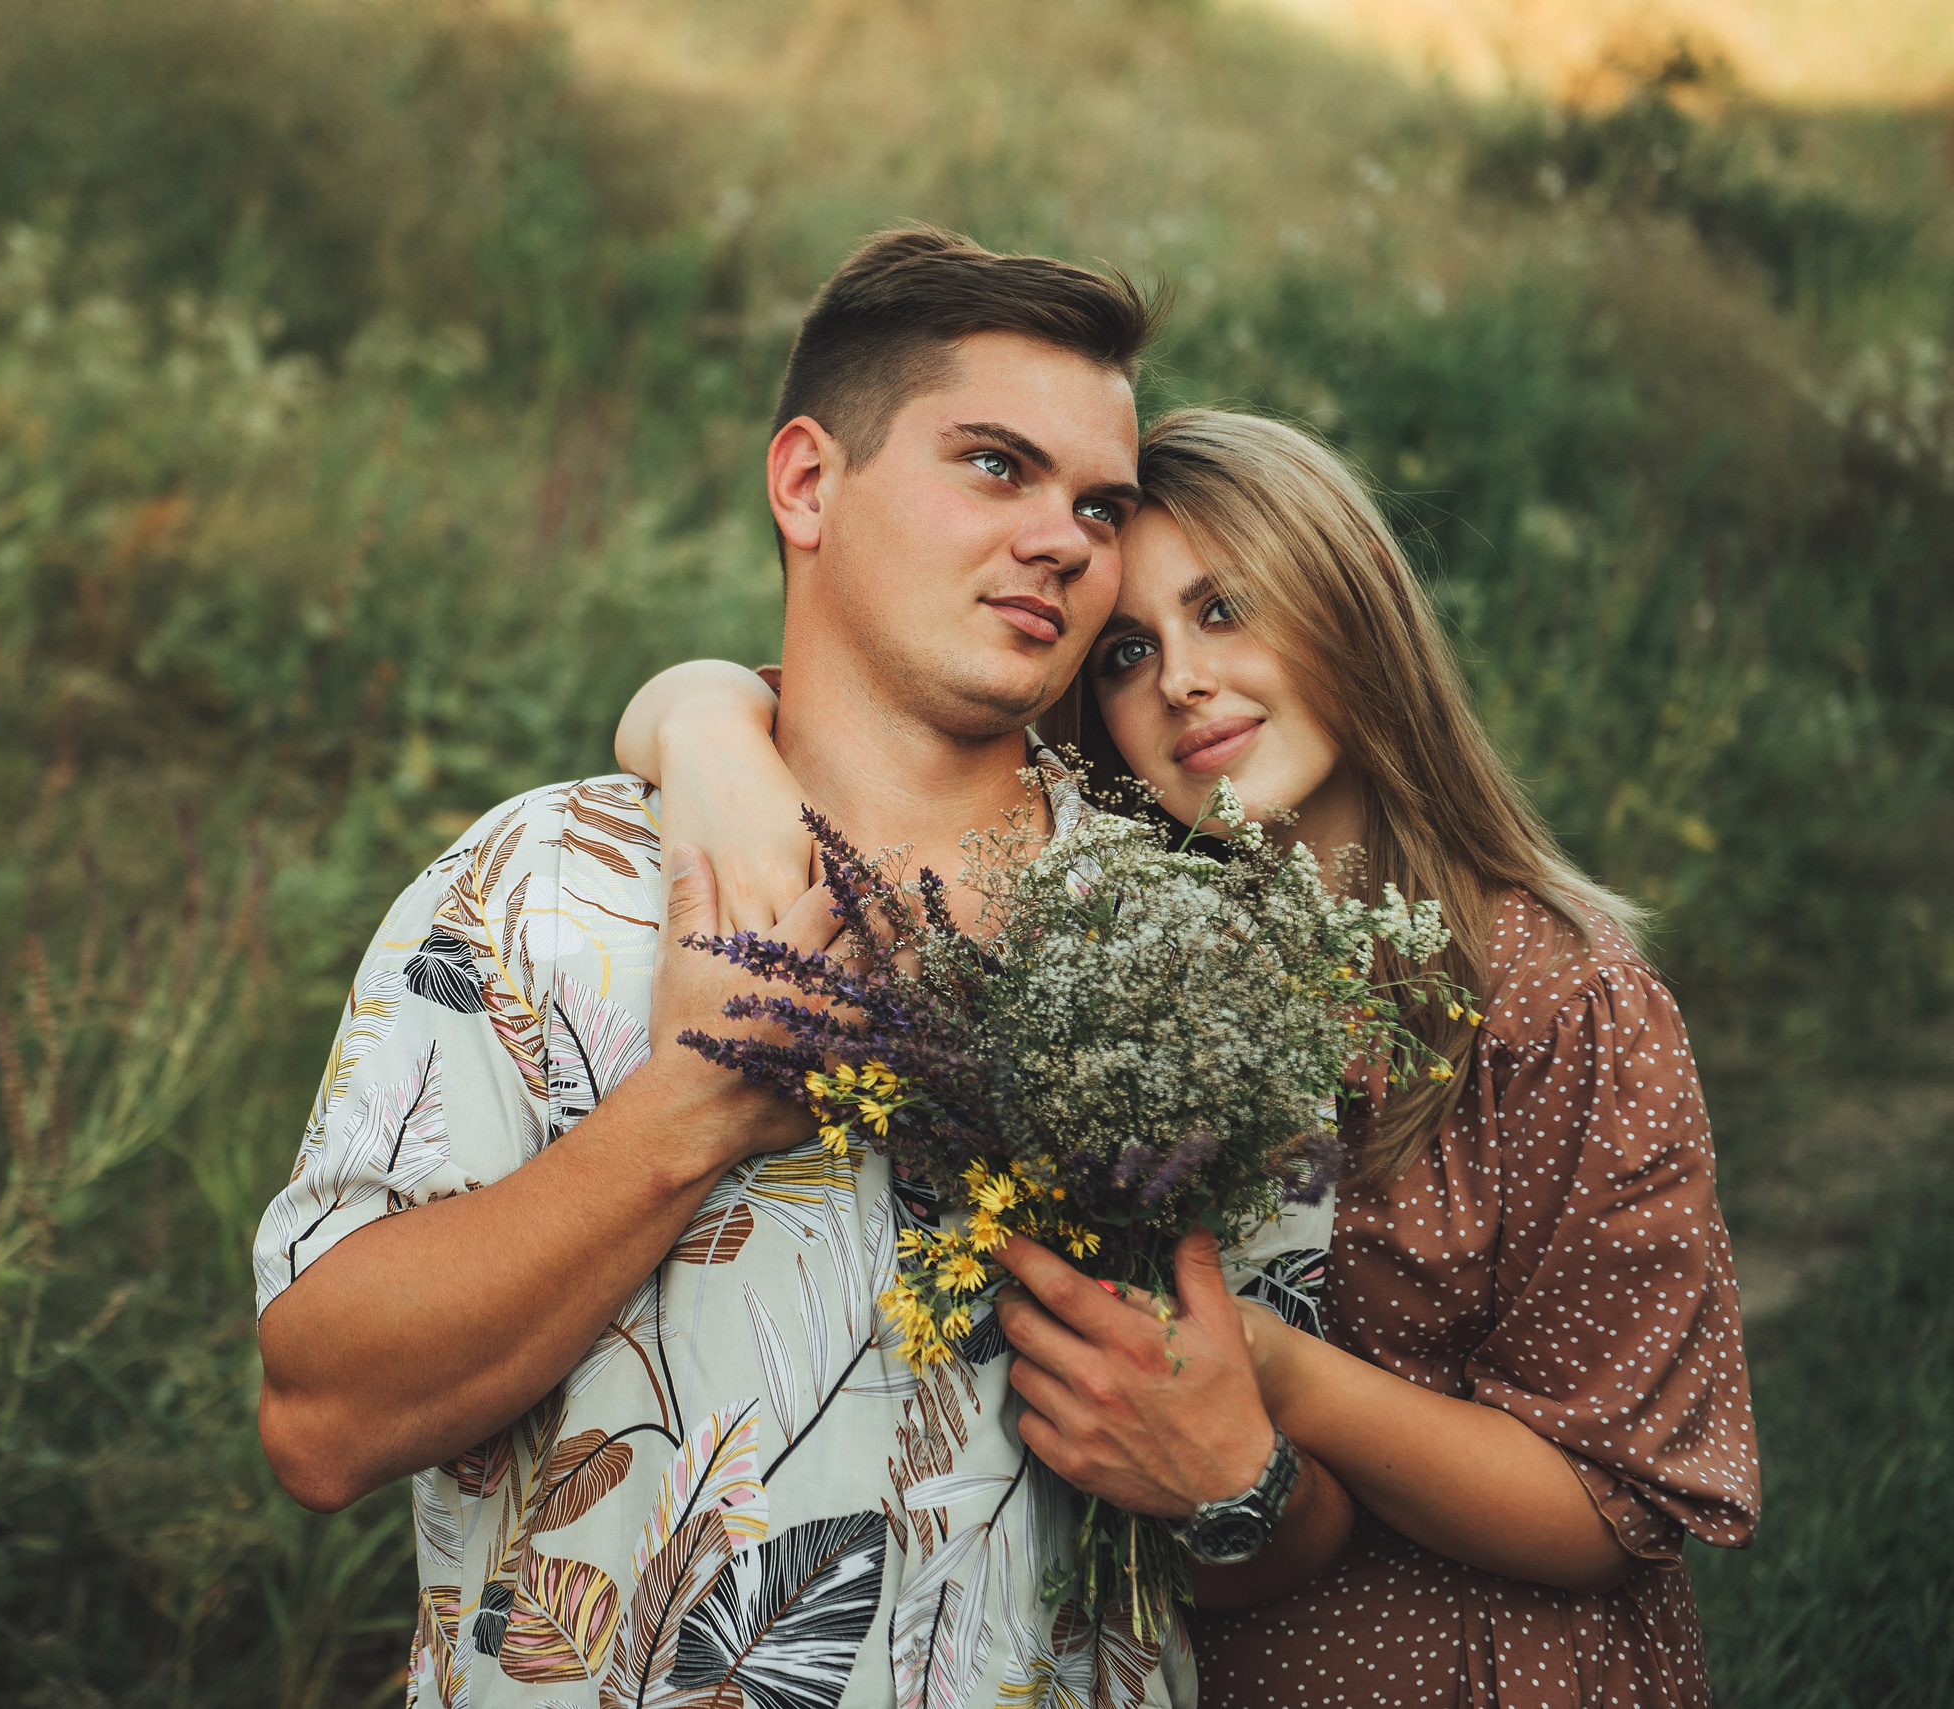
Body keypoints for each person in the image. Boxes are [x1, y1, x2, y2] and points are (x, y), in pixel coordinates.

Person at [250, 229, 1337, 1709]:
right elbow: (320, 1419)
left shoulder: (1195, 948)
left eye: (1100, 504)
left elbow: (1300, 1526)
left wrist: (1240, 1483)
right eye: (996, 467)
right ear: (808, 482)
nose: (1068, 541)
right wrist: (690, 1108)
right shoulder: (548, 881)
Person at [614, 408, 1761, 1706]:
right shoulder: (1112, 950)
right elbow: (802, 705)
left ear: (1352, 606)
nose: (1182, 682)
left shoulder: (1553, 992)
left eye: (1228, 611)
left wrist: (1268, 1374)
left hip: (1485, 1674)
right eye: (1126, 653)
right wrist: (703, 725)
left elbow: (1619, 1510)